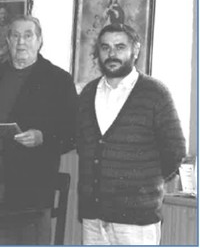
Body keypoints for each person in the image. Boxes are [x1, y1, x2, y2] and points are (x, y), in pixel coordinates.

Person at [0, 15, 77, 242]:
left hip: (30, 189)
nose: (21, 42)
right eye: (15, 36)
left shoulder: (58, 80)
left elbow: (73, 132)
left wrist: (43, 137)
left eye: (28, 35)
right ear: (8, 40)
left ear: (40, 40)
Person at [76, 23, 186, 245]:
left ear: (135, 51)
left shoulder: (155, 93)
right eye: (105, 47)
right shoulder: (87, 93)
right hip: (94, 218)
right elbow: (83, 144)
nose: (112, 54)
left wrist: (143, 184)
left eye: (119, 47)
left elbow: (175, 150)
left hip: (137, 221)